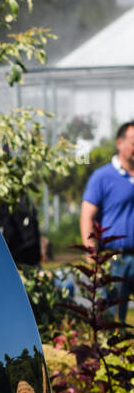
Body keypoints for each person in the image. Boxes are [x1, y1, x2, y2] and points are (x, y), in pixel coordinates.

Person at [80, 120, 134, 325]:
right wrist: (90, 251)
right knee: (112, 320)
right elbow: (87, 216)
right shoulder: (102, 177)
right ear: (120, 143)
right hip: (115, 260)